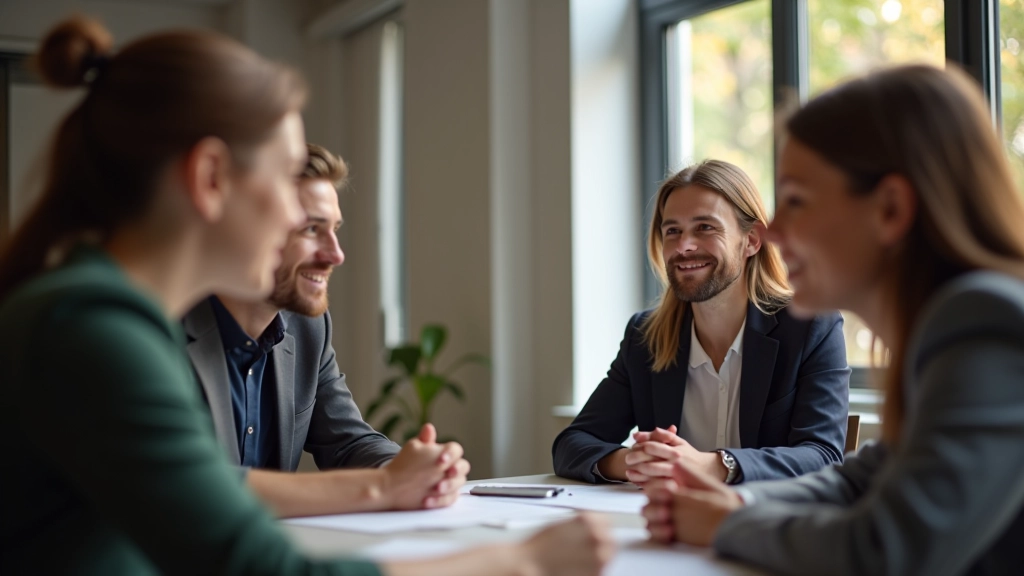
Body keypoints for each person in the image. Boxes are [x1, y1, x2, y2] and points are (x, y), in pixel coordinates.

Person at [0, 16, 613, 576]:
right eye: (285, 179)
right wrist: (521, 560)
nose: (309, 230)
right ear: (211, 178)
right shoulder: (92, 329)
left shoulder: (99, 315)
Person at [643, 64, 1024, 576]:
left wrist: (722, 526)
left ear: (890, 209)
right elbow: (860, 479)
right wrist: (737, 506)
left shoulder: (985, 324)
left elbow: (888, 549)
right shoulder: (952, 327)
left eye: (797, 201)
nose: (773, 233)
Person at [184, 143, 467, 517]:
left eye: (334, 228)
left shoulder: (307, 328)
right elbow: (192, 488)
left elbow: (348, 442)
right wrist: (383, 486)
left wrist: (410, 470)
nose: (335, 254)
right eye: (311, 229)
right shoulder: (163, 328)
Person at [552, 159, 850, 486]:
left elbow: (822, 455)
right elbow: (572, 443)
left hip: (766, 526)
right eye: (672, 231)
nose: (683, 247)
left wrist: (713, 466)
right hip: (664, 524)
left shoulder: (810, 326)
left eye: (705, 227)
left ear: (751, 241)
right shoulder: (645, 337)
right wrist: (634, 461)